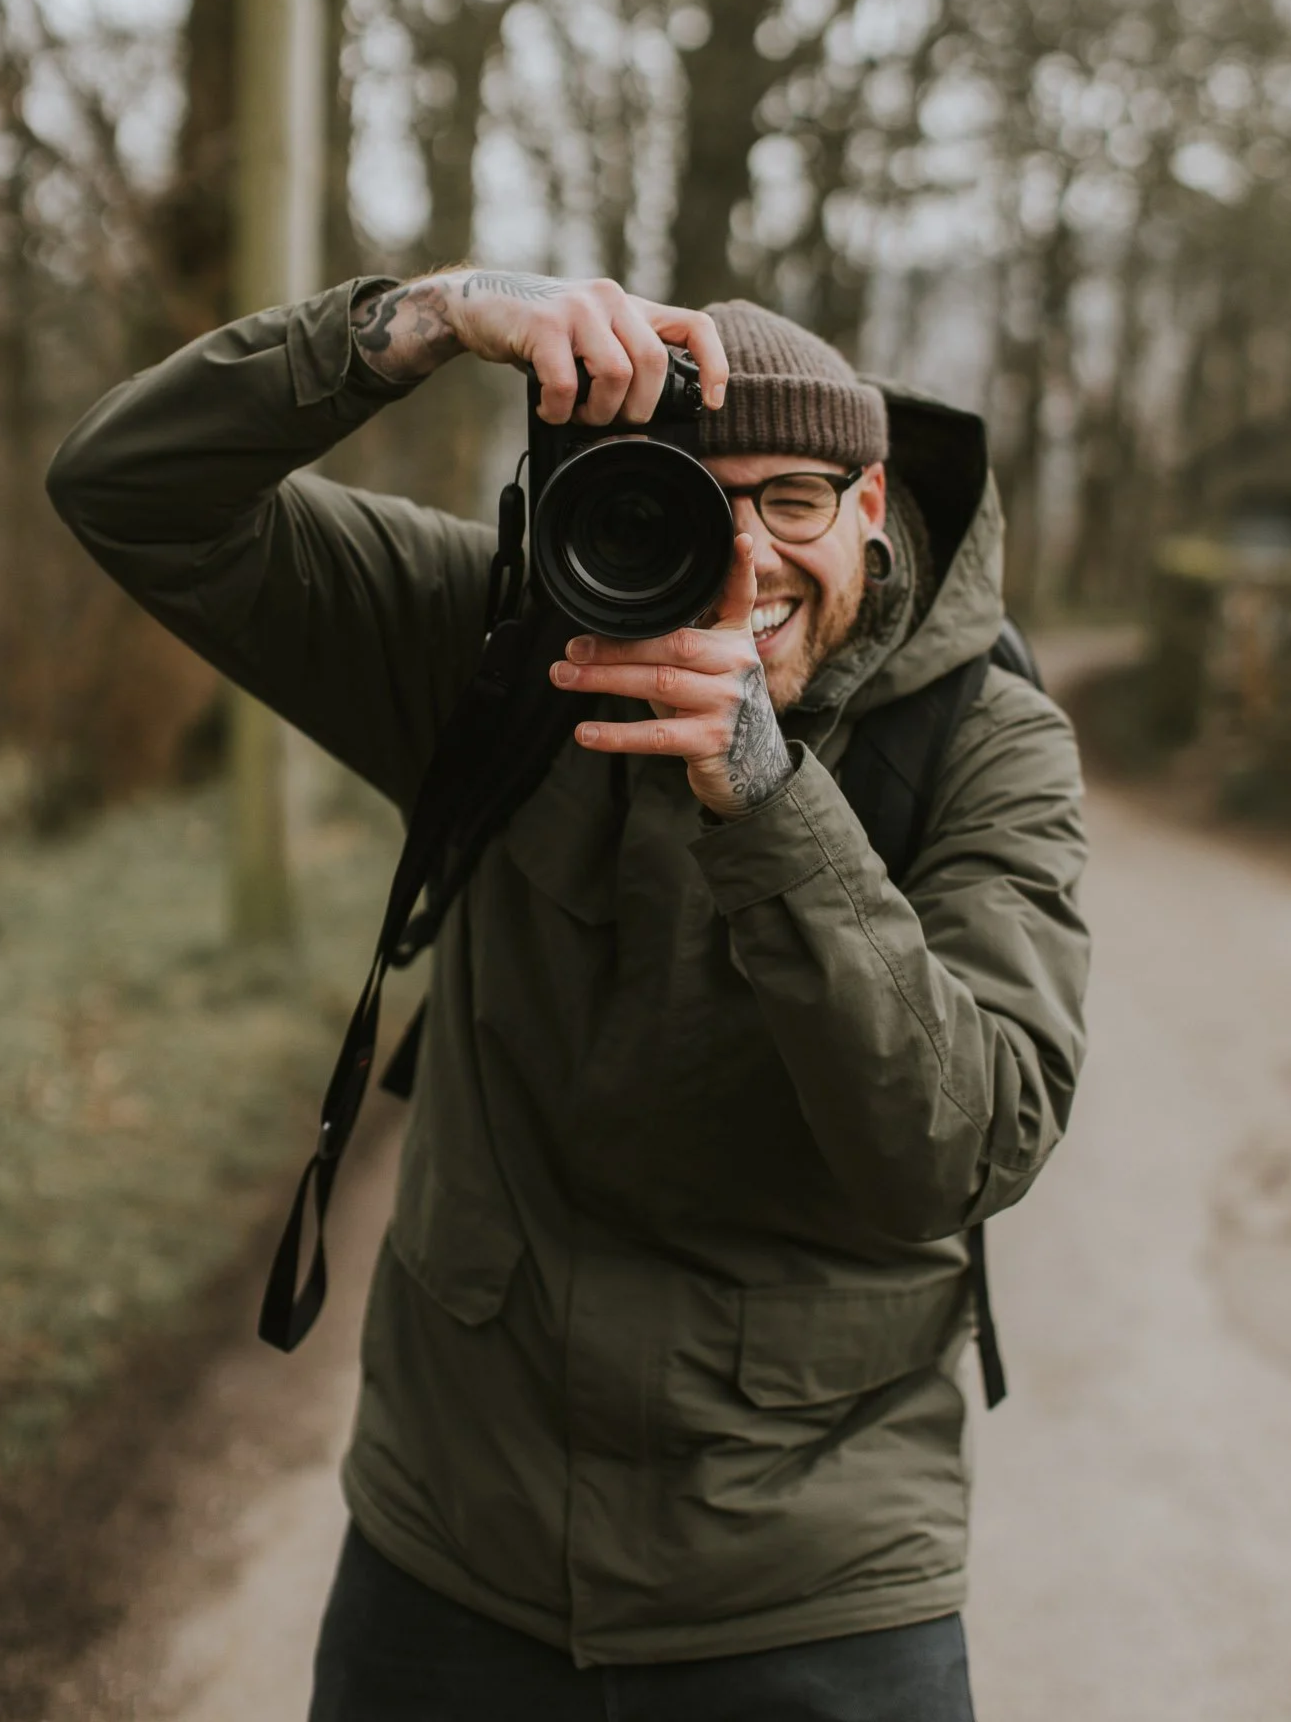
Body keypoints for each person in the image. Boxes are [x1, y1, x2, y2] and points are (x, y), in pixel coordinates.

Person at [47, 268, 1090, 1721]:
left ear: (870, 504)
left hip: (807, 1578)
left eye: (790, 501)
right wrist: (412, 322)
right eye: (683, 502)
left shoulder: (988, 742)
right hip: (450, 1546)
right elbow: (125, 490)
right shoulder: (502, 644)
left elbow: (965, 1142)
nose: (743, 560)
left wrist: (770, 804)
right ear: (600, 509)